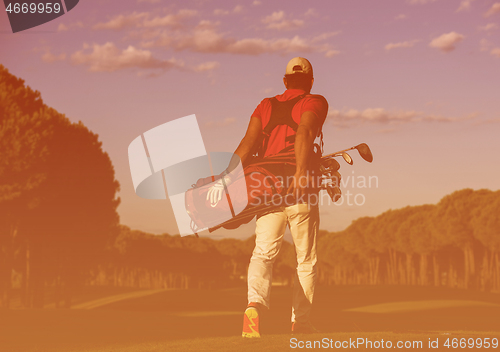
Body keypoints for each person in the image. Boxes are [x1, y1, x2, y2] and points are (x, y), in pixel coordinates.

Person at [208, 57, 328, 337]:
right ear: (310, 82)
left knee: (263, 253)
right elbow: (305, 131)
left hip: (268, 190)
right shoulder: (315, 101)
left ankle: (254, 305)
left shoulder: (265, 105)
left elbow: (247, 144)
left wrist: (226, 179)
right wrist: (299, 172)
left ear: (285, 81)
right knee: (305, 260)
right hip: (302, 189)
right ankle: (301, 323)